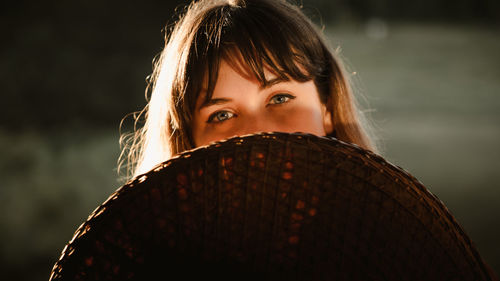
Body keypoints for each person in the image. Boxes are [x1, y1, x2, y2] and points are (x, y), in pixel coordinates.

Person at [119, 0, 378, 179]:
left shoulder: (388, 244)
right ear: (187, 145)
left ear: (328, 107)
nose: (258, 133)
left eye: (280, 98)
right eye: (222, 115)